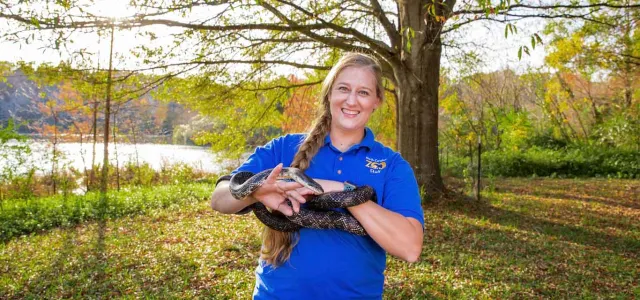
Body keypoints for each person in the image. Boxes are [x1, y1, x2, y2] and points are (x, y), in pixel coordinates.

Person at [210, 52, 424, 299]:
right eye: (343, 89)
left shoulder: (392, 166)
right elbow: (219, 198)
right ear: (330, 94)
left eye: (363, 92)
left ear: (376, 101)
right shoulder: (284, 148)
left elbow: (410, 249)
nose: (351, 100)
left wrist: (343, 193)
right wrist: (256, 192)